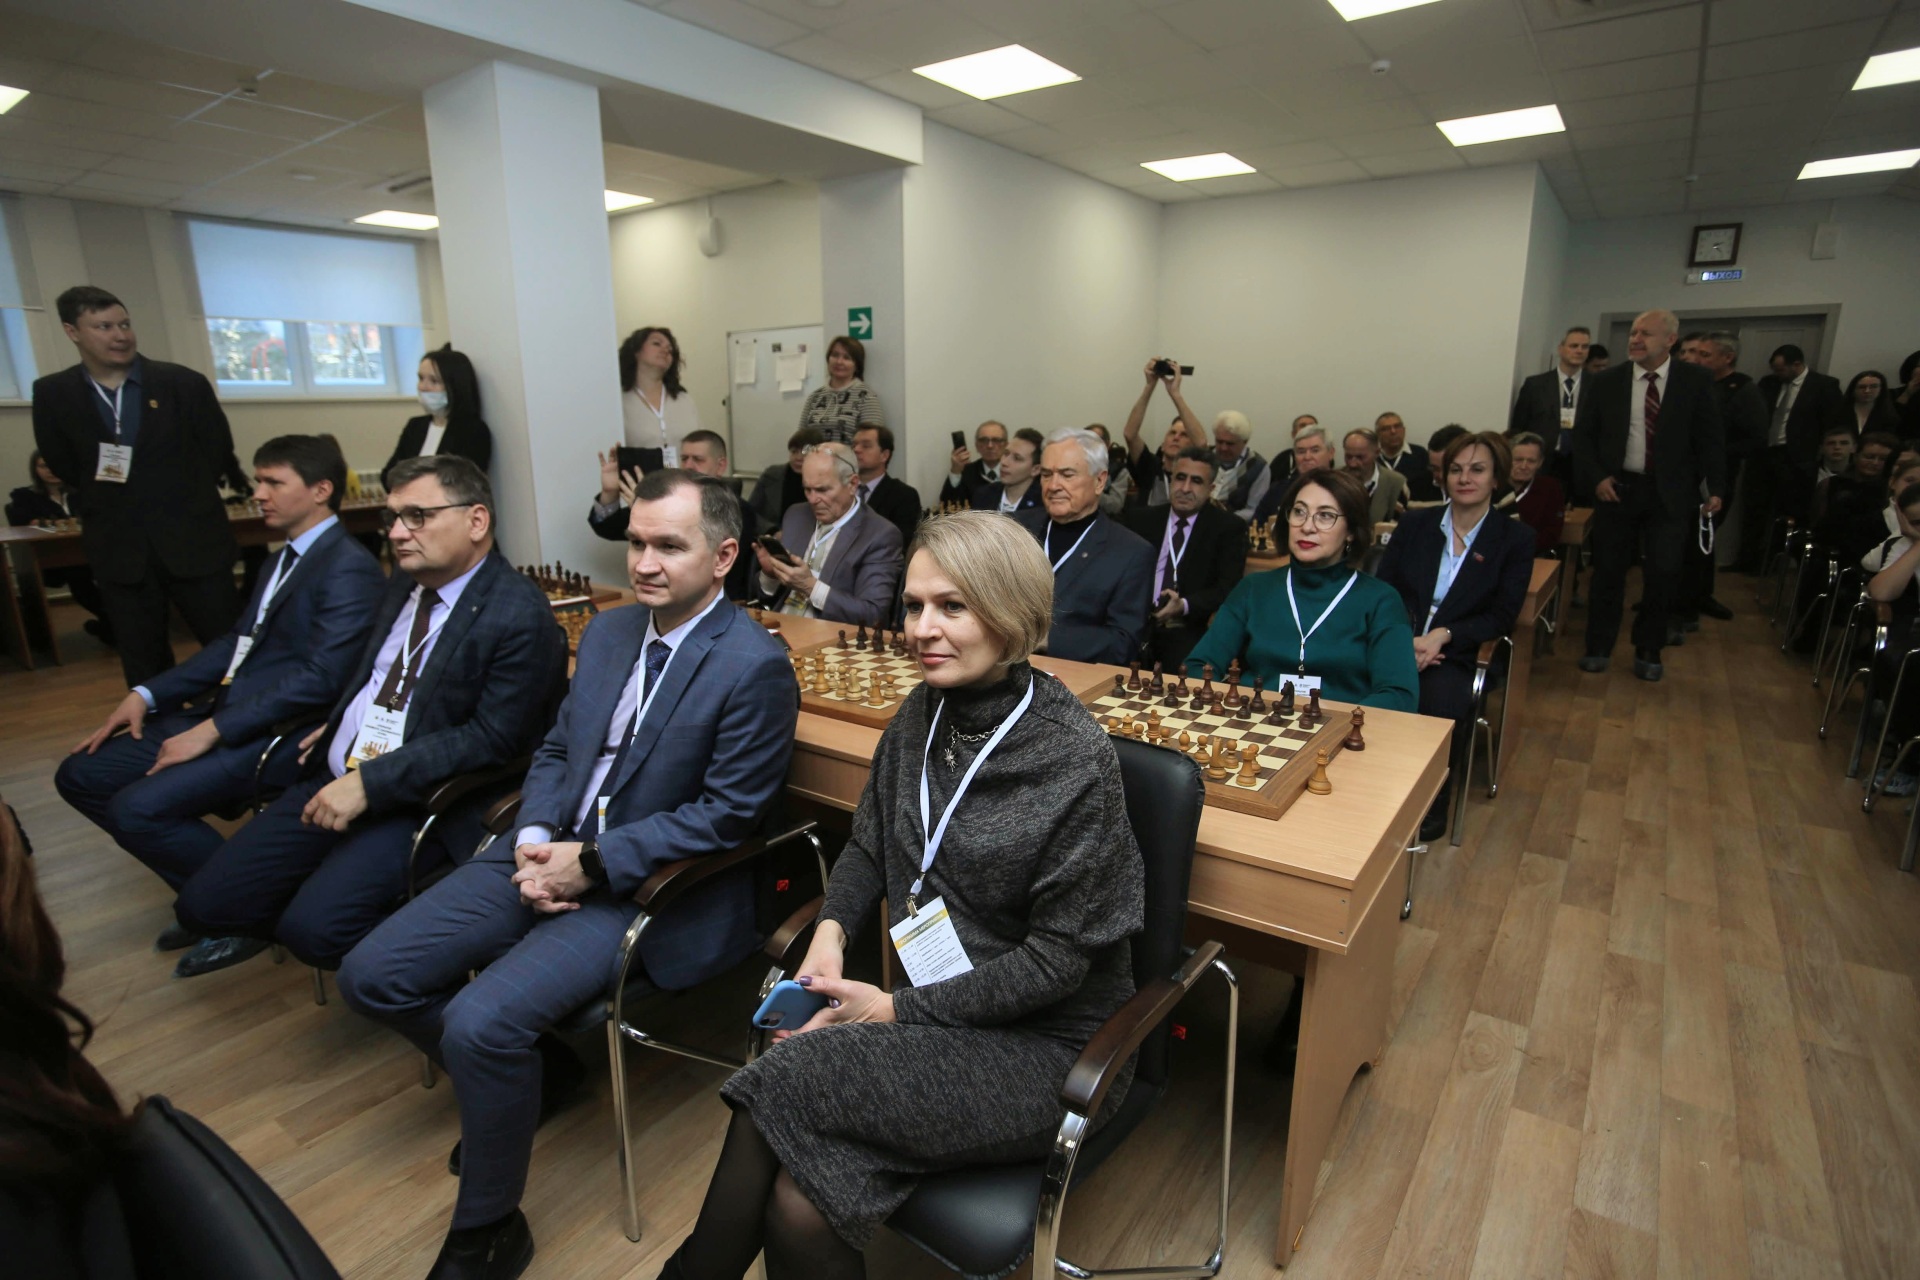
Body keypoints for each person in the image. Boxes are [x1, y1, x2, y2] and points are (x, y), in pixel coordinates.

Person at [338, 470, 799, 1280]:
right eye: (637, 543)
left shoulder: (753, 664)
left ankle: (490, 1227)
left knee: (478, 1024)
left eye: (669, 546)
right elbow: (557, 749)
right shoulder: (613, 633)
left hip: (635, 885)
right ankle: (536, 1073)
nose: (644, 563)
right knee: (371, 975)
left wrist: (590, 863)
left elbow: (727, 815)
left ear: (725, 556)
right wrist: (536, 835)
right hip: (543, 846)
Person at [659, 511, 1144, 1280]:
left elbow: (1057, 965)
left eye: (952, 607)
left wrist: (892, 1011)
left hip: (1047, 1048)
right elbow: (871, 842)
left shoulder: (1072, 759)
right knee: (799, 1199)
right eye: (913, 606)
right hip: (934, 1013)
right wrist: (831, 933)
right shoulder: (924, 710)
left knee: (780, 1084)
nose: (922, 629)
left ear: (1011, 613)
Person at [168, 457, 569, 978]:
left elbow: (493, 737)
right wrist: (340, 724)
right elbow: (369, 676)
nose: (397, 533)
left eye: (418, 516)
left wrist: (369, 783)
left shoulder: (518, 614)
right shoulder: (404, 583)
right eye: (393, 517)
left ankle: (428, 964)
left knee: (313, 931)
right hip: (333, 773)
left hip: (412, 800)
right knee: (203, 905)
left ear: (476, 521)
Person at [53, 436, 385, 967]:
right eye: (258, 481)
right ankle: (219, 899)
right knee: (80, 775)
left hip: (281, 734)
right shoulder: (282, 560)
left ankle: (241, 912)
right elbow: (237, 642)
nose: (258, 493)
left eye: (273, 482)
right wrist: (146, 693)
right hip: (230, 715)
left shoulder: (348, 567)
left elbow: (321, 679)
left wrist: (212, 731)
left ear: (322, 490)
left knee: (136, 809)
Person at [32, 285, 242, 685]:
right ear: (72, 332)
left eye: (124, 324)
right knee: (144, 661)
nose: (120, 335)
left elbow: (216, 451)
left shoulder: (183, 383)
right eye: (104, 327)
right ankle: (158, 721)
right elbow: (63, 463)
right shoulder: (53, 393)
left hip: (193, 542)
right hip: (120, 549)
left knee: (229, 651)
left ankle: (245, 717)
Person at [1375, 432, 1534, 841]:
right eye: (1456, 470)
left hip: (1461, 650)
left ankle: (1431, 802)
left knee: (1437, 698)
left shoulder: (1515, 539)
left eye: (1477, 470)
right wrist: (1404, 639)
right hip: (1401, 639)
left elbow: (1502, 615)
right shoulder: (1416, 524)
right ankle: (1371, 791)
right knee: (1358, 684)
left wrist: (1442, 636)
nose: (1465, 478)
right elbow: (1384, 591)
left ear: (1496, 479)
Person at [1573, 309, 1727, 682]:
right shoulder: (1607, 381)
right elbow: (1583, 438)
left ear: (1670, 340)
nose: (1636, 339)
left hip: (1670, 493)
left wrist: (1717, 487)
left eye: (1646, 333)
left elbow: (1710, 439)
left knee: (1663, 573)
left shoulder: (1695, 381)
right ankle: (1598, 646)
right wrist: (1597, 478)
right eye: (1633, 333)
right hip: (1617, 488)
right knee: (1608, 571)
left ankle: (1648, 648)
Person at [1186, 469, 1418, 709]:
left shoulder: (1381, 600)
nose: (1307, 526)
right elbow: (1198, 666)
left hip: (1343, 727)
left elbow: (1399, 695)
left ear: (1350, 531)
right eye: (1299, 512)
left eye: (1325, 516)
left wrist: (1334, 720)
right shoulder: (1253, 589)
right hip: (1254, 720)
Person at [1015, 428, 1155, 665]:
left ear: (1099, 481)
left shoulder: (1131, 552)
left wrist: (1047, 639)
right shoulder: (1014, 529)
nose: (1053, 485)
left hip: (1075, 675)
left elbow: (1123, 644)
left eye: (1067, 474)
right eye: (1047, 474)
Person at [1123, 447, 1247, 671]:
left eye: (1196, 481)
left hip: (1186, 626)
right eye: (1180, 478)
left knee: (1185, 670)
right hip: (1136, 621)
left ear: (1211, 488)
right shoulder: (1140, 519)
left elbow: (1227, 588)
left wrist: (1184, 605)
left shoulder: (1228, 528)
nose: (1185, 488)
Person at [598, 431, 761, 601]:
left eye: (698, 459)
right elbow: (607, 528)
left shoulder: (739, 509)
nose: (688, 465)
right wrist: (609, 494)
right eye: (684, 459)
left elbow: (729, 569)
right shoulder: (669, 501)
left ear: (720, 465)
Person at [755, 443, 903, 627]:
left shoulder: (879, 535)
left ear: (852, 484)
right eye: (807, 489)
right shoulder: (796, 516)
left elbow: (873, 615)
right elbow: (764, 599)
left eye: (822, 490)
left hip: (829, 636)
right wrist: (770, 575)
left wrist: (809, 586)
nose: (812, 499)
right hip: (778, 627)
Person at [1676, 331, 1766, 624]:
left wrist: (1712, 449)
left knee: (1701, 540)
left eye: (1704, 355)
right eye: (1693, 353)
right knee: (1680, 541)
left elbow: (1756, 439)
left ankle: (1694, 602)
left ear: (1728, 358)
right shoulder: (1692, 385)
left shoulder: (1743, 390)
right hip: (1683, 476)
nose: (1695, 359)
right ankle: (1671, 597)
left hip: (1716, 478)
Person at [1736, 343, 1844, 572]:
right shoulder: (1769, 383)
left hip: (1796, 458)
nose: (1777, 374)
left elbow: (1831, 422)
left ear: (1797, 364)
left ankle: (1778, 562)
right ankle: (1747, 561)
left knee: (1790, 512)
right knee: (1754, 509)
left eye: (1781, 369)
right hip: (1764, 454)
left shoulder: (1824, 385)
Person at [7, 450, 112, 644]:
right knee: (78, 575)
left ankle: (110, 625)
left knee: (94, 574)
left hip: (92, 553)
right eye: (44, 466)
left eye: (55, 465)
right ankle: (112, 625)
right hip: (49, 560)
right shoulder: (24, 496)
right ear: (35, 469)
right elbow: (20, 521)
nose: (51, 471)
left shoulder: (82, 492)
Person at [380, 345, 492, 488]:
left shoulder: (473, 431)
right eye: (421, 378)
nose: (423, 387)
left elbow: (461, 485)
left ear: (454, 385)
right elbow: (388, 475)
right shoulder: (415, 426)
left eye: (434, 381)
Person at [613, 327, 702, 476]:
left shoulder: (684, 400)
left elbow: (701, 445)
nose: (665, 350)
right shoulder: (619, 402)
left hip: (683, 483)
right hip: (640, 486)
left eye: (670, 349)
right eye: (656, 344)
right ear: (636, 351)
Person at [1508, 327, 1591, 485]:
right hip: (1541, 461)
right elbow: (1518, 426)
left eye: (1585, 347)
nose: (1579, 351)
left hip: (1580, 464)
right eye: (1574, 346)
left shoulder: (1596, 385)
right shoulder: (1535, 385)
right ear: (1561, 348)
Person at [1121, 358, 1209, 506]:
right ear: (1162, 445)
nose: (1176, 437)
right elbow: (1130, 434)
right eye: (1172, 433)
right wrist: (1150, 386)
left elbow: (1201, 443)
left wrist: (1175, 393)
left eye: (1184, 435)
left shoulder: (1193, 474)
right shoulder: (1150, 466)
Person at [797, 336, 884, 445]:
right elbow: (800, 439)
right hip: (815, 456)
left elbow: (871, 443)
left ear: (857, 365)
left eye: (847, 358)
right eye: (835, 355)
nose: (839, 362)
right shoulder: (815, 397)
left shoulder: (866, 397)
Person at [1250, 425, 1337, 529]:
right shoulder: (1278, 490)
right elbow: (1255, 526)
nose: (1307, 457)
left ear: (1331, 453)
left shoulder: (1343, 489)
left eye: (1315, 450)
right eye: (1301, 452)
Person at [851, 424, 923, 549]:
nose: (856, 450)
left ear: (884, 455)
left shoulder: (903, 495)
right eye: (854, 445)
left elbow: (900, 543)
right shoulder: (841, 490)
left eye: (866, 446)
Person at [751, 427, 823, 531]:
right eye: (794, 452)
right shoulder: (771, 475)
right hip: (771, 535)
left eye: (804, 453)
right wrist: (772, 531)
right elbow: (750, 512)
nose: (798, 458)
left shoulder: (825, 481)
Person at [1505, 432, 1565, 555]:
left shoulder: (1550, 488)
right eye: (1518, 460)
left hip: (1531, 555)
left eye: (1531, 461)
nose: (1524, 466)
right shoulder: (1491, 486)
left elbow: (1552, 533)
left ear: (1540, 462)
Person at [968, 426, 1044, 514]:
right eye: (1006, 453)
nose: (1004, 462)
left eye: (1017, 458)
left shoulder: (1044, 503)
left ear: (1035, 469)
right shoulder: (983, 495)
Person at [1210, 411, 1271, 519]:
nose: (1223, 448)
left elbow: (1254, 509)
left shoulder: (1258, 467)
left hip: (1233, 524)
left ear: (1245, 442)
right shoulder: (1204, 457)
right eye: (1219, 442)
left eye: (1230, 444)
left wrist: (1224, 518)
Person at [1344, 427, 1409, 526]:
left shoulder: (1396, 483)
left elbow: (1399, 527)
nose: (1353, 464)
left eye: (1360, 457)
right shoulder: (1335, 480)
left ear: (1377, 453)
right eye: (1348, 457)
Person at [941, 420, 1007, 503]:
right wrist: (955, 472)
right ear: (977, 446)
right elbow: (947, 504)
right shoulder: (966, 472)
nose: (990, 445)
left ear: (1006, 445)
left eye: (996, 440)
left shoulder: (1015, 472)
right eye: (984, 440)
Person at [1828, 370, 1900, 438]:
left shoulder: (1889, 415)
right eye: (1862, 387)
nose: (1867, 391)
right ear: (1853, 389)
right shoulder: (1838, 411)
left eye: (1873, 387)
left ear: (1881, 389)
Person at [1087, 422, 1131, 514]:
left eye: (1095, 439)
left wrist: (1090, 491)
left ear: (1107, 445)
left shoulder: (1119, 470)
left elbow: (1116, 505)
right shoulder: (1075, 466)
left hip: (1104, 518)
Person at [1376, 412, 1424, 494]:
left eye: (1397, 426)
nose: (1393, 431)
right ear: (1378, 434)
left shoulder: (1420, 454)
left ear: (1404, 430)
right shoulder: (1372, 457)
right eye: (1386, 428)